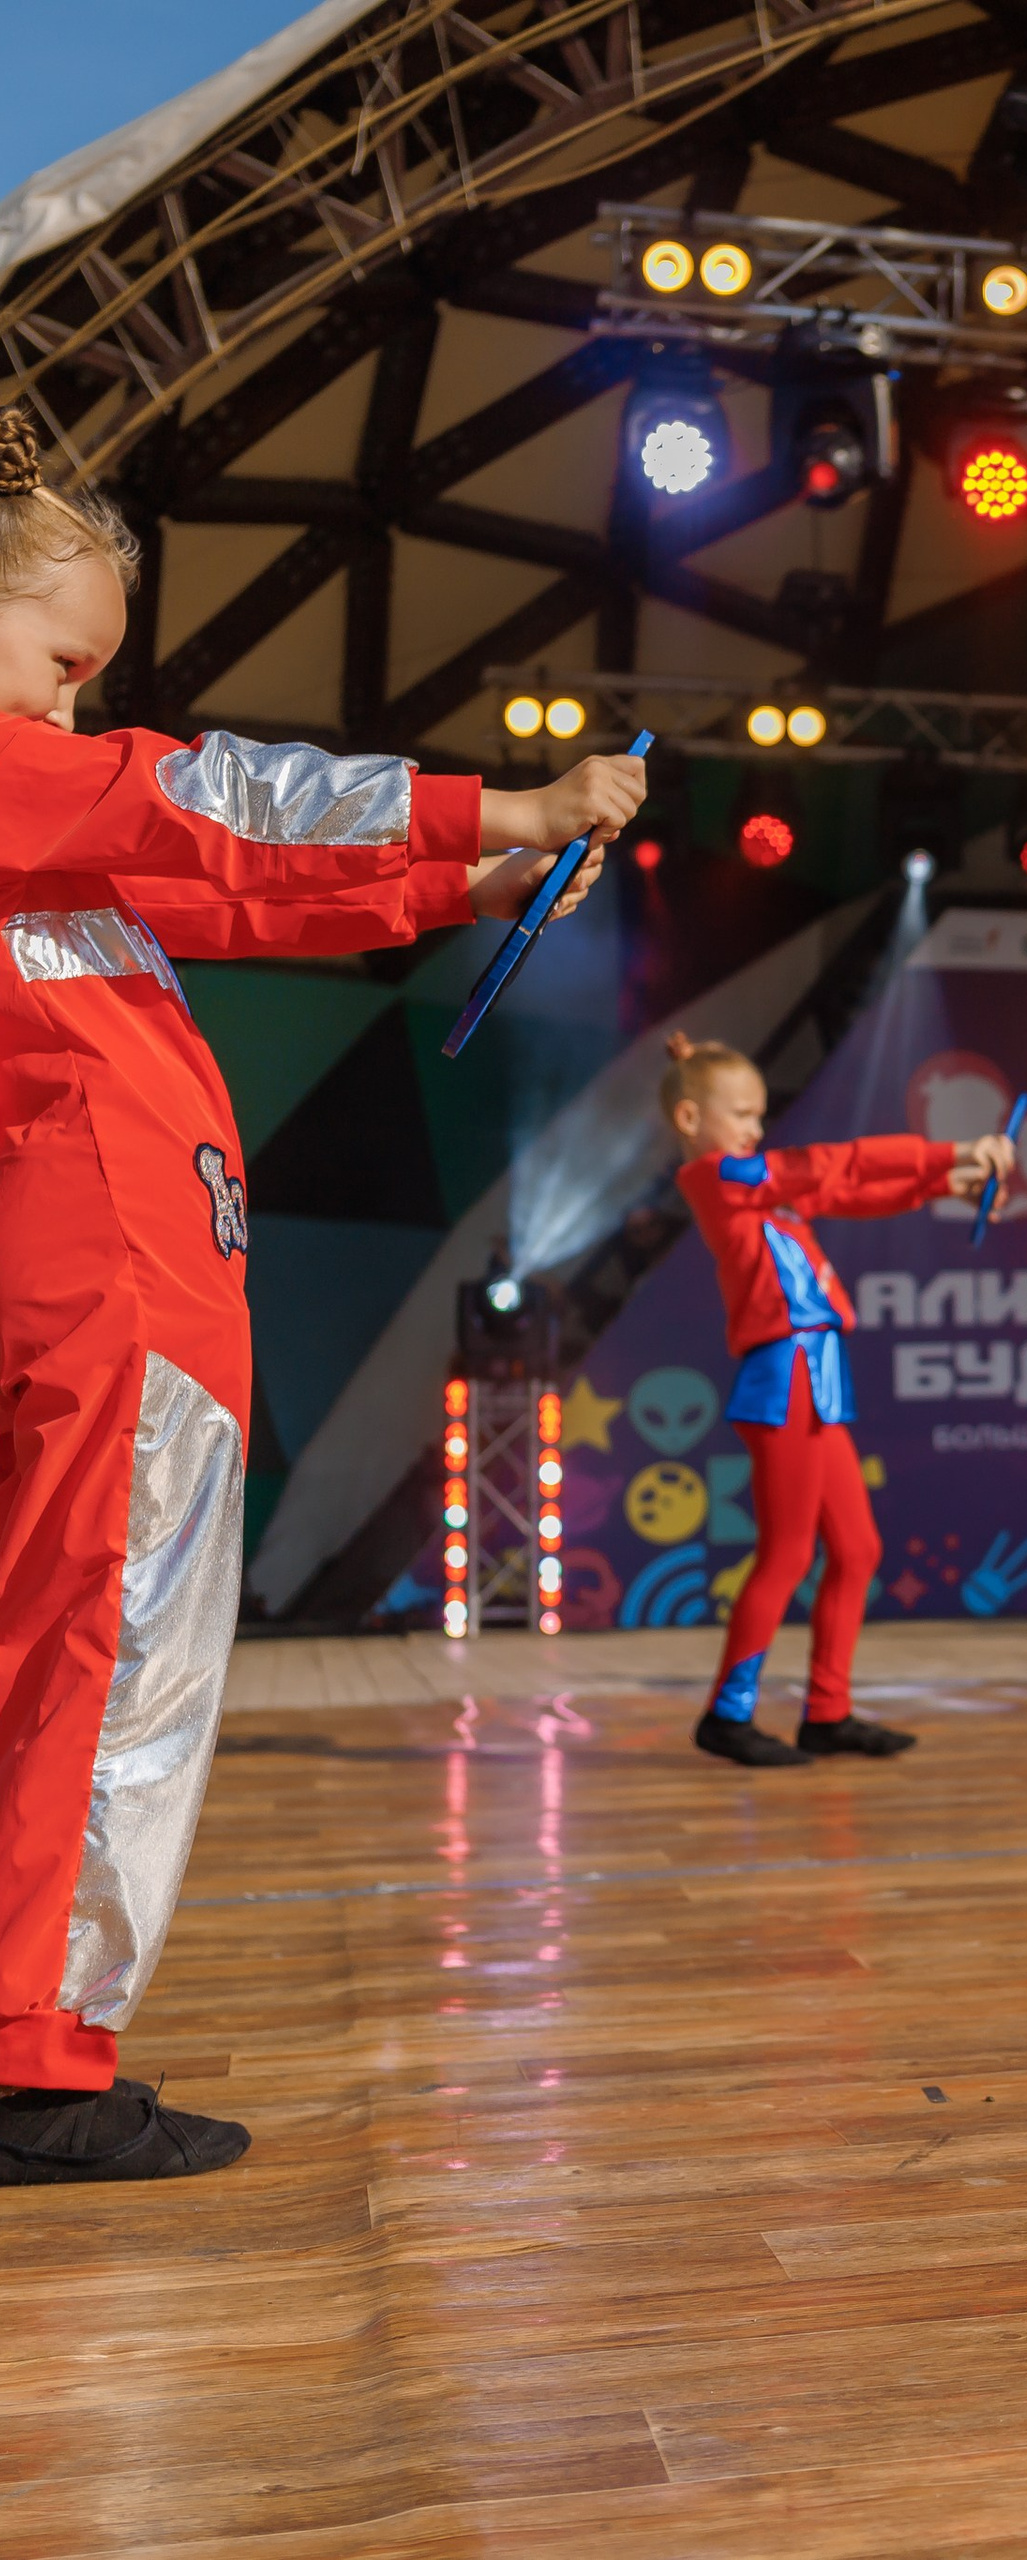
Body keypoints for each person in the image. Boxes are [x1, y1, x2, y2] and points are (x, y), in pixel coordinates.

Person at [0, 407, 640, 2183]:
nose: (78, 711)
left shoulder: (43, 833)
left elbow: (237, 892)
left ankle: (26, 2037)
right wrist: (498, 804)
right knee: (112, 1661)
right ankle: (35, 2067)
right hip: (114, 1296)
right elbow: (212, 802)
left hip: (122, 1292)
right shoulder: (18, 780)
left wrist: (467, 878)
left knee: (75, 1653)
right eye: (61, 666)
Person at [663, 1034, 1013, 1767]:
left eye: (759, 1115)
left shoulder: (764, 1194)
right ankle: (727, 1714)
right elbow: (836, 1164)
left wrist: (947, 1184)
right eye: (743, 1114)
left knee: (856, 1549)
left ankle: (828, 1711)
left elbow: (848, 1192)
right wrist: (952, 1152)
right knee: (788, 1553)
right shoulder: (718, 1178)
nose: (757, 1128)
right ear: (690, 1119)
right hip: (784, 1374)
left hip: (818, 1374)